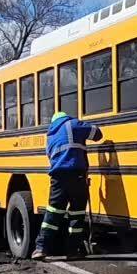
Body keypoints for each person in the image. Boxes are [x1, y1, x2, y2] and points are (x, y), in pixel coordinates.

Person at [32, 111, 103, 260]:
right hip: (75, 175)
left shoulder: (50, 135)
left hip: (57, 178)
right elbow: (97, 134)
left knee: (53, 212)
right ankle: (73, 251)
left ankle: (41, 249)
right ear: (66, 117)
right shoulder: (72, 124)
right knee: (76, 213)